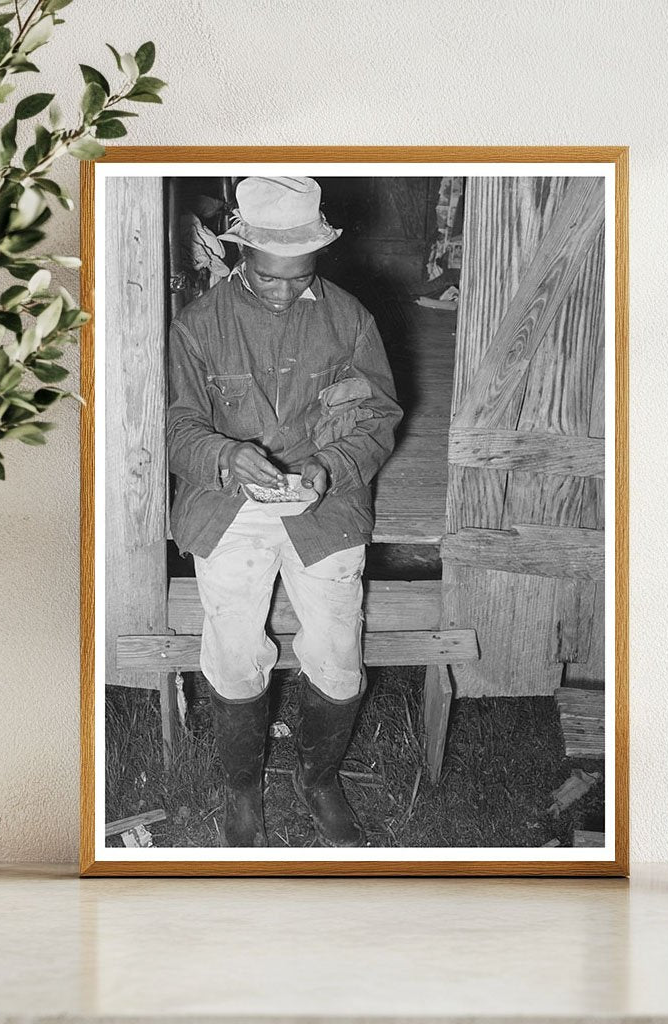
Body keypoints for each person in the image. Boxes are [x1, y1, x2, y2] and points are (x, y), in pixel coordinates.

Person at [167, 176, 402, 848]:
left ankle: (319, 779)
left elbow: (377, 415)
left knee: (336, 652)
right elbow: (178, 423)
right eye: (270, 278)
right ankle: (242, 790)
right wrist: (222, 452)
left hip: (325, 503)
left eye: (299, 278)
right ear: (242, 253)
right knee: (235, 650)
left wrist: (333, 467)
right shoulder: (199, 325)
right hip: (225, 503)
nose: (285, 291)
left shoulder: (349, 318)